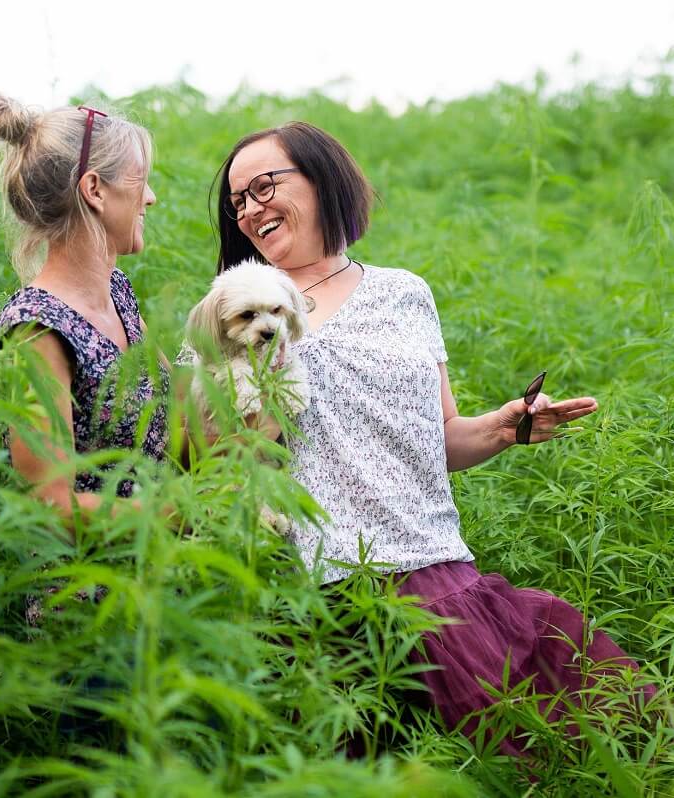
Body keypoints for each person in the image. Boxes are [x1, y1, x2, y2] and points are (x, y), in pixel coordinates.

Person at [211, 121, 655, 749]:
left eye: (264, 187)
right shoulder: (237, 309)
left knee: (538, 750)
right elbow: (222, 456)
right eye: (238, 202)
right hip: (323, 588)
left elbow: (441, 438)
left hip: (434, 569)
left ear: (322, 181)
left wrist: (502, 429)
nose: (251, 210)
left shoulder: (404, 294)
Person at [0, 93, 168, 519]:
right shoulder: (37, 328)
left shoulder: (117, 290)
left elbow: (165, 421)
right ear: (95, 190)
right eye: (141, 181)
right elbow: (49, 504)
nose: (151, 198)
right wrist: (173, 515)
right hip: (86, 580)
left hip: (155, 569)